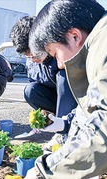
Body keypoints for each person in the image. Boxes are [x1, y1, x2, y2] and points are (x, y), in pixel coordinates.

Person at [25, 0, 107, 178]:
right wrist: (64, 124)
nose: (59, 64)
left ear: (74, 36)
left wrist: (44, 171)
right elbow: (100, 105)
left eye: (55, 53)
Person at [10, 16, 77, 147]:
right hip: (54, 100)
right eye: (27, 56)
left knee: (63, 76)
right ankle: (53, 121)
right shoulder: (32, 63)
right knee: (31, 90)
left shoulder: (60, 54)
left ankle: (64, 131)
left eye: (34, 53)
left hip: (74, 100)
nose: (32, 58)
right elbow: (36, 86)